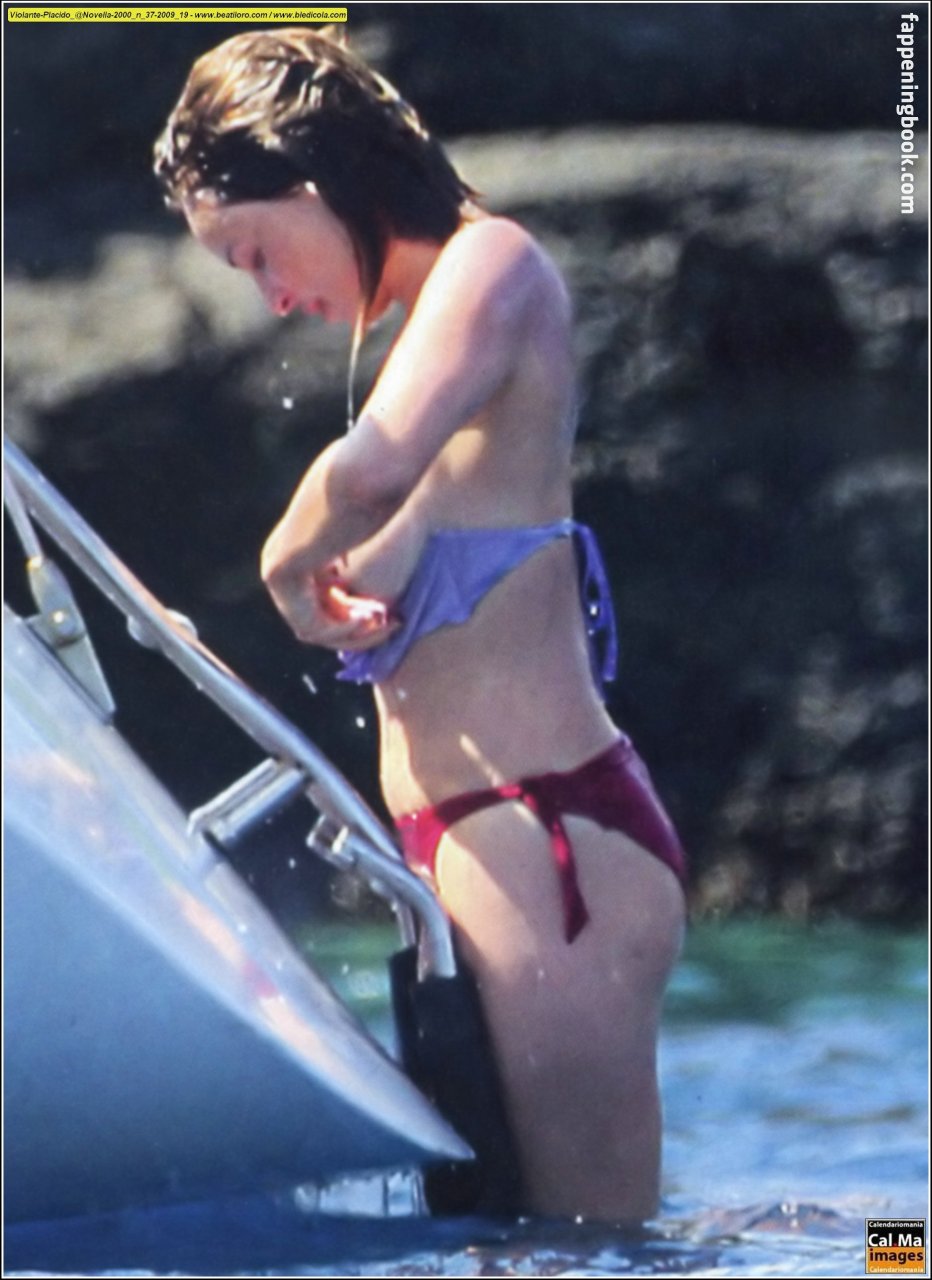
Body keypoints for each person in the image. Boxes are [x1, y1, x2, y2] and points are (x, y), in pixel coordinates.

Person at [155, 26, 687, 1225]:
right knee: (509, 1240)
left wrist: (284, 568)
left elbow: (366, 470)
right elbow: (390, 520)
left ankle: (899, 1246)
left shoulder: (492, 264)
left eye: (254, 252)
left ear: (307, 180)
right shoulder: (430, 350)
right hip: (478, 859)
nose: (271, 297)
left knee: (589, 1249)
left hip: (551, 852)